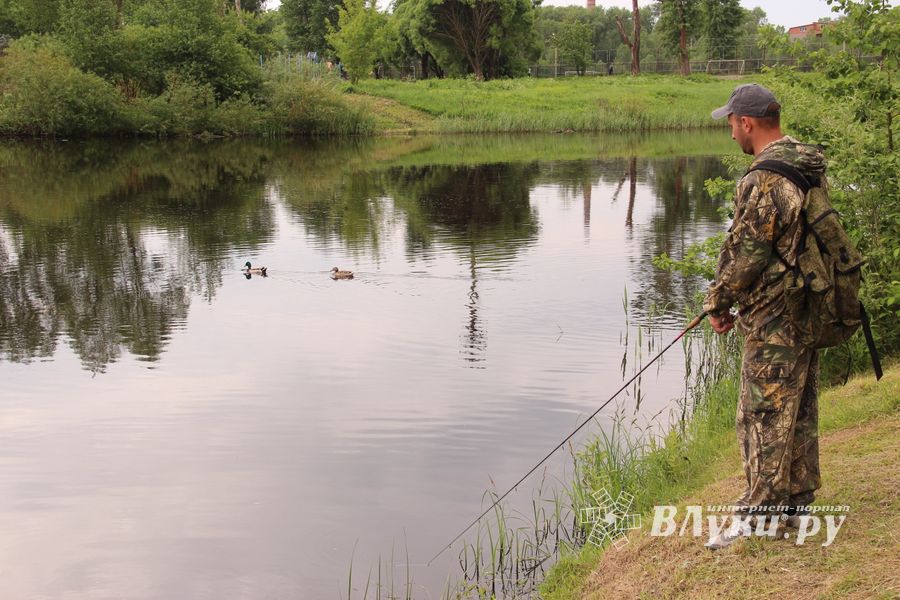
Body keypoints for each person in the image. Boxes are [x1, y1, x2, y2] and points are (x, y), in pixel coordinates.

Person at [702, 83, 826, 550]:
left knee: (763, 412)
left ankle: (760, 515)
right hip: (806, 302)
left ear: (747, 123)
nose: (730, 130)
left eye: (731, 121)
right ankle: (795, 501)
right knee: (799, 406)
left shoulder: (765, 178)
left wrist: (718, 300)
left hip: (776, 312)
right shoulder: (803, 163)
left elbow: (747, 252)